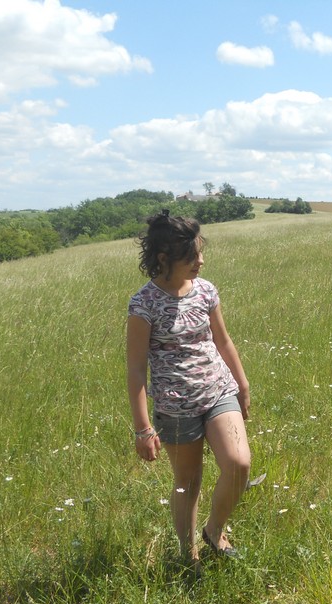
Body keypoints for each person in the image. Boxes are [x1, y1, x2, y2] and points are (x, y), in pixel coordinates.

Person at [127, 210, 252, 569]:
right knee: (187, 482)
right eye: (192, 256)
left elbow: (224, 341)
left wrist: (242, 385)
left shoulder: (207, 290)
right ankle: (188, 554)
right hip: (175, 406)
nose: (201, 261)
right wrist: (143, 428)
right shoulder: (143, 304)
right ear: (164, 259)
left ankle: (214, 530)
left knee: (239, 463)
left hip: (218, 391)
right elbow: (136, 371)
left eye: (200, 252)